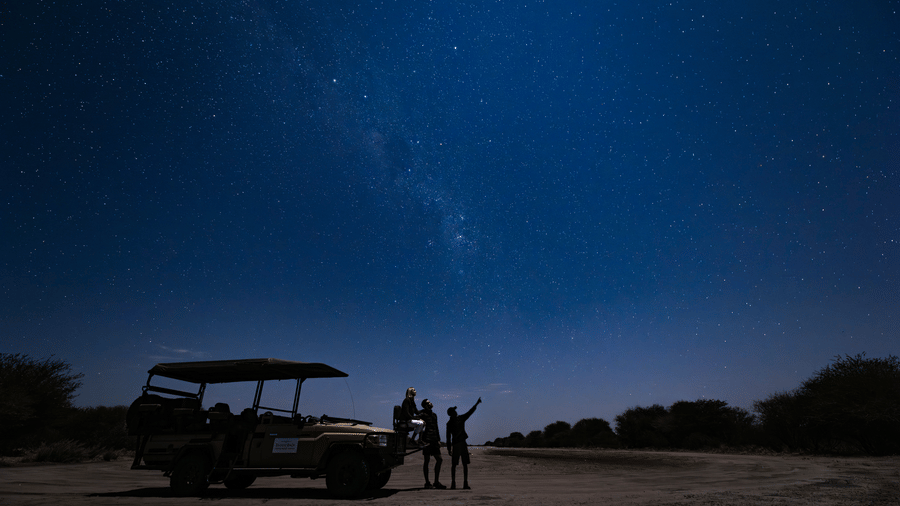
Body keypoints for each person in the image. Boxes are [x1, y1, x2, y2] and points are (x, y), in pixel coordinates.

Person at [446, 397, 482, 490]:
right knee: (464, 464)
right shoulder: (460, 419)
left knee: (455, 465)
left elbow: (448, 438)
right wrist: (477, 403)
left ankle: (454, 484)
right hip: (461, 444)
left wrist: (449, 449)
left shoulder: (449, 423)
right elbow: (470, 412)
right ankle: (464, 483)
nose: (456, 412)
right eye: (454, 411)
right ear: (452, 413)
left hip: (457, 444)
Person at [419, 398, 446, 489]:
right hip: (426, 440)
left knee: (439, 459)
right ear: (425, 405)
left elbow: (436, 427)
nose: (430, 403)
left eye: (430, 402)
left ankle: (436, 482)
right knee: (426, 461)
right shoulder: (422, 415)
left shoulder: (434, 415)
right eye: (428, 403)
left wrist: (438, 439)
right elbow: (420, 428)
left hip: (434, 440)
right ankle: (427, 482)